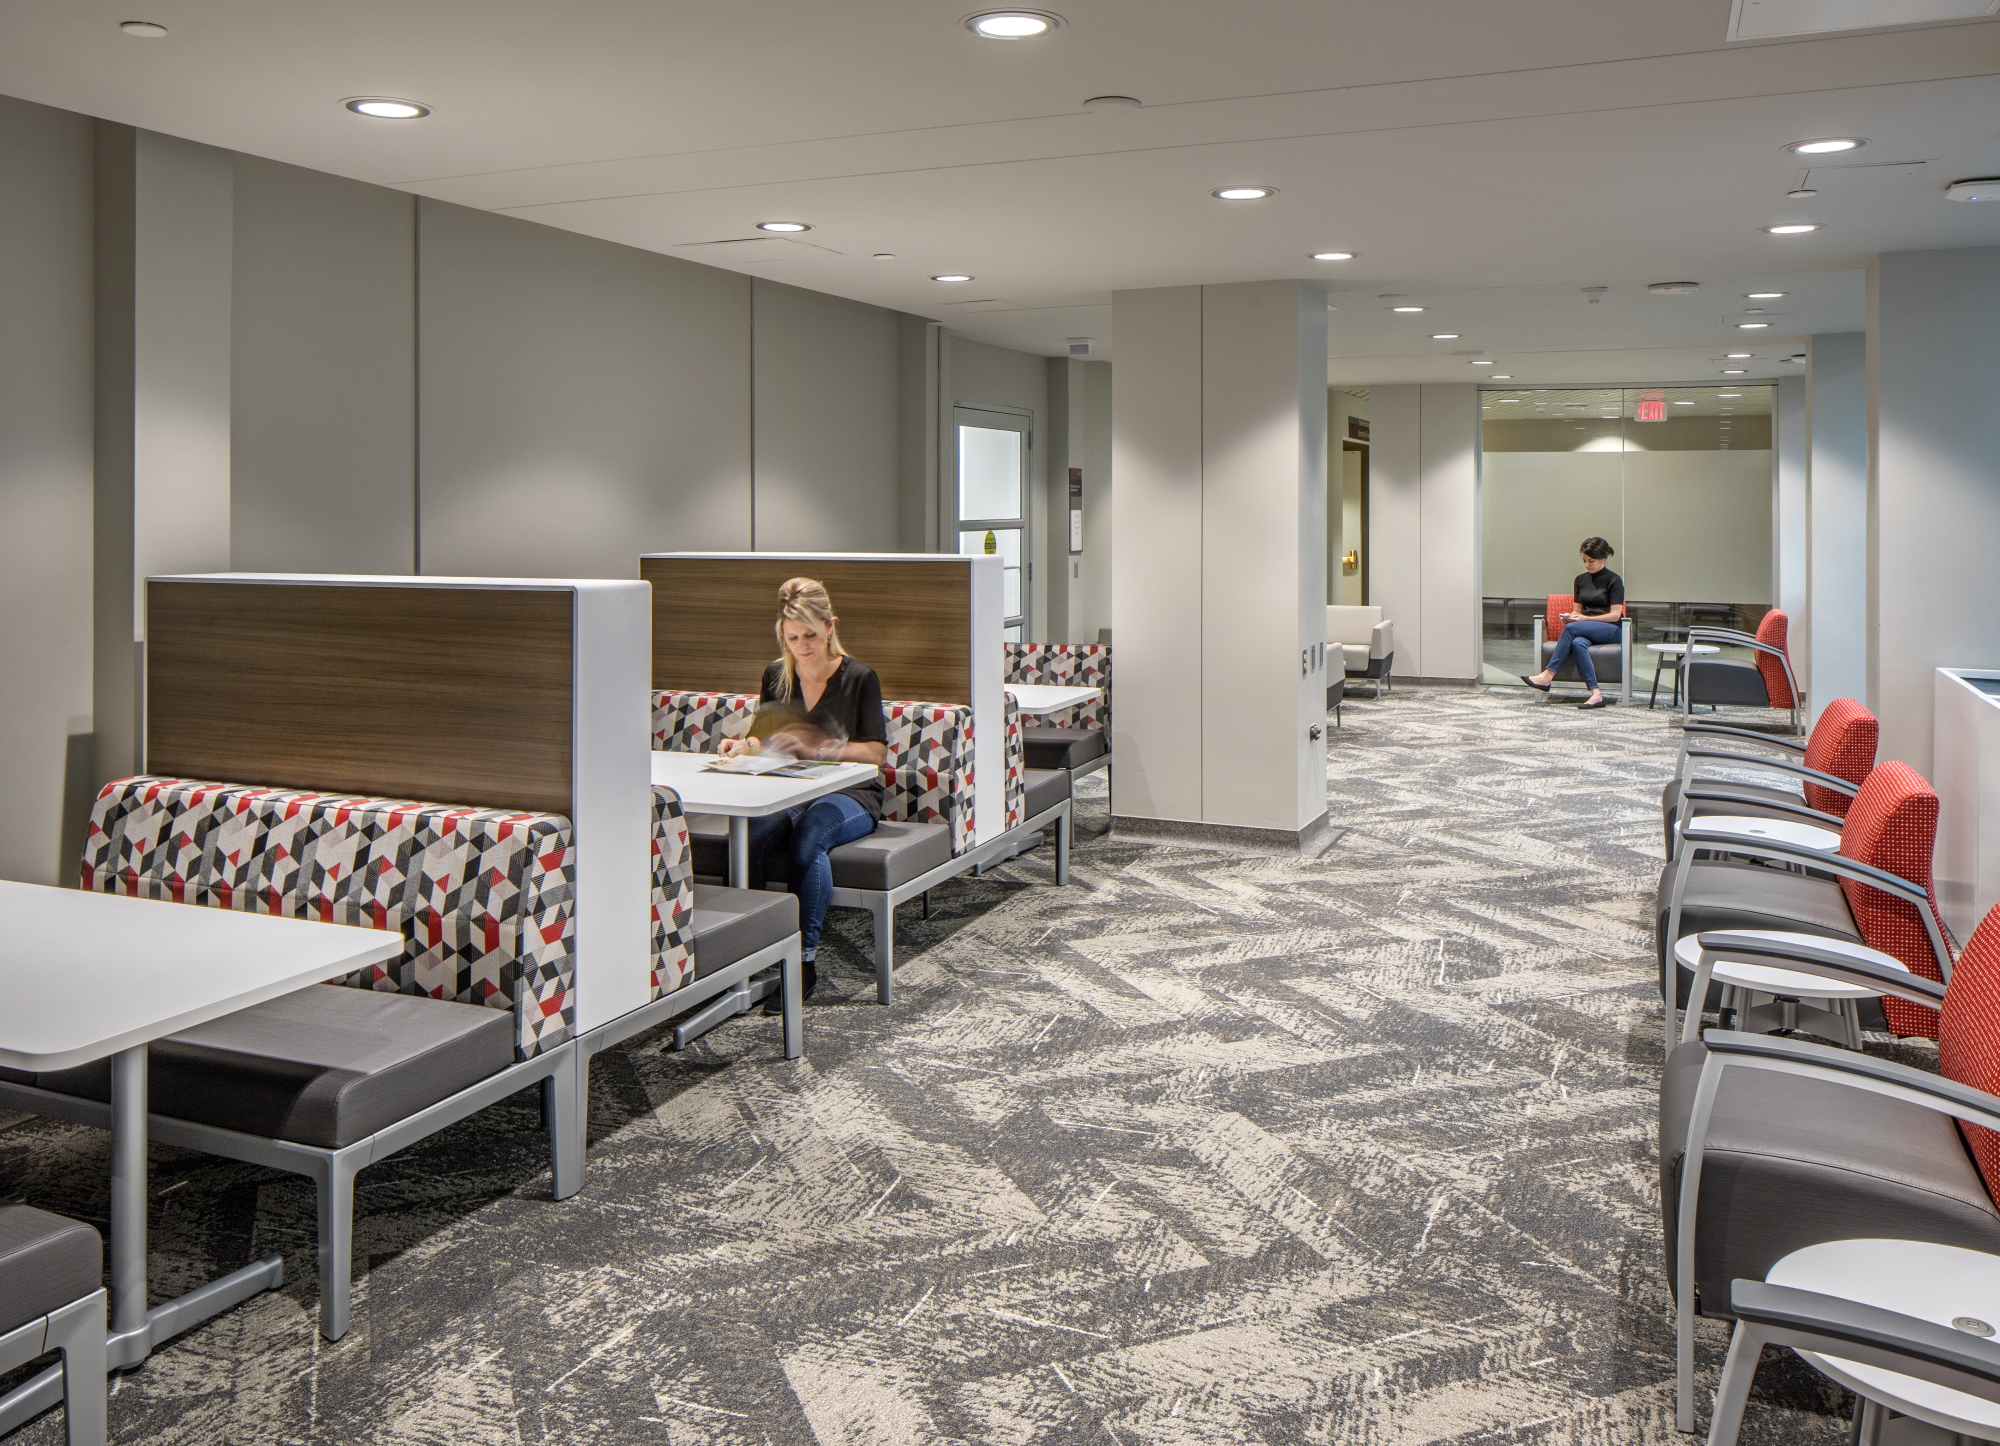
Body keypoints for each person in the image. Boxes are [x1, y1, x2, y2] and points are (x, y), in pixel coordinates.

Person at [717, 577, 887, 1001]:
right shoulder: (777, 674)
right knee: (750, 837)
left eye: (809, 635)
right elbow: (762, 737)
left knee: (810, 835)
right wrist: (742, 746)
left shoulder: (859, 678)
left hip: (852, 793)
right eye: (792, 638)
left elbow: (876, 753)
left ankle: (802, 961)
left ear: (830, 626)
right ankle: (754, 953)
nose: (802, 647)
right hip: (790, 787)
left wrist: (822, 749)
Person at [1522, 537, 1625, 710]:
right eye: (1584, 560)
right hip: (1586, 628)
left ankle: (1548, 675)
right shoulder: (1580, 580)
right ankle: (1596, 694)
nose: (1587, 565)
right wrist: (1570, 617)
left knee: (1572, 629)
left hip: (1611, 629)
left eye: (1591, 561)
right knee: (1577, 643)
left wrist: (1584, 620)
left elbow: (1615, 615)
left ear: (1603, 558)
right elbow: (1577, 611)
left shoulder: (1614, 580)